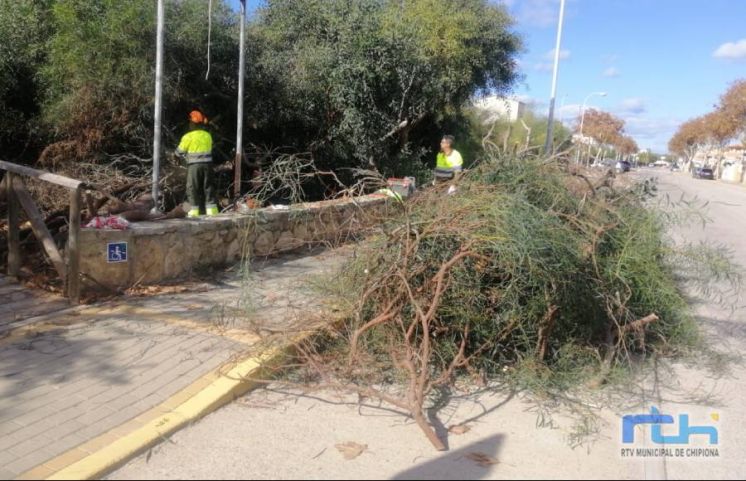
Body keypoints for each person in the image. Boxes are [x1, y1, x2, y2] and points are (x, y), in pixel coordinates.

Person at [176, 110, 218, 217]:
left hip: (194, 166)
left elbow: (179, 152)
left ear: (193, 123)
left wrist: (176, 156)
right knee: (208, 186)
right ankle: (212, 211)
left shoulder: (188, 137)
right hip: (208, 165)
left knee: (192, 187)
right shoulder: (207, 136)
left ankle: (193, 211)